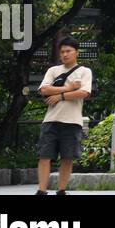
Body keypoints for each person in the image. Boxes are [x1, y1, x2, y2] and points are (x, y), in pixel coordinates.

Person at [35, 36, 93, 195]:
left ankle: (61, 190)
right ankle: (42, 190)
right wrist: (69, 88)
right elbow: (44, 90)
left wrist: (60, 96)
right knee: (44, 156)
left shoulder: (84, 71)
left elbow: (83, 92)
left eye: (68, 51)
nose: (65, 54)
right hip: (51, 120)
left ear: (76, 53)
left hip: (72, 121)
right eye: (62, 52)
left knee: (67, 158)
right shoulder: (53, 71)